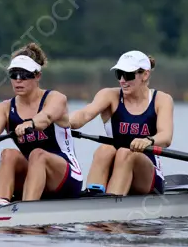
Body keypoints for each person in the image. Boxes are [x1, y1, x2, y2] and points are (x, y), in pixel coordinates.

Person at [0, 43, 83, 205]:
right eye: (13, 74)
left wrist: (31, 123)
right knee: (8, 153)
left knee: (37, 154)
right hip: (33, 174)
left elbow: (46, 117)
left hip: (66, 178)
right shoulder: (3, 108)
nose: (18, 80)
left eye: (24, 75)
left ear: (38, 76)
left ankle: (28, 208)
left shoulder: (56, 98)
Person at [68, 50, 173, 196]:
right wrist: (62, 121)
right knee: (104, 149)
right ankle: (94, 195)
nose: (122, 80)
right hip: (115, 168)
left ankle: (111, 205)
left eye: (129, 75)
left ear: (145, 75)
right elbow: (84, 114)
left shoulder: (161, 100)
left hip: (147, 176)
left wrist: (148, 141)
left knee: (125, 153)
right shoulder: (109, 95)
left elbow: (166, 137)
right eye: (119, 74)